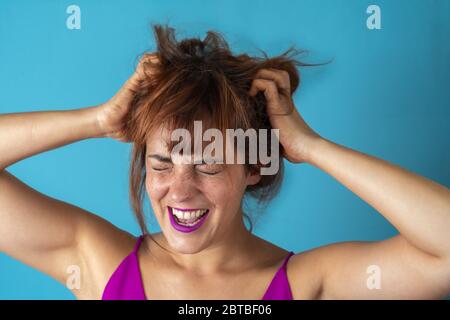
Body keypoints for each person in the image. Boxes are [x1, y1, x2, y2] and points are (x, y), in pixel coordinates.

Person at [1, 25, 449, 300]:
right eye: (161, 163)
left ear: (254, 166)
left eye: (208, 166)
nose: (179, 191)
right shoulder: (98, 266)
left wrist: (312, 147)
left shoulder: (311, 283)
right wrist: (96, 120)